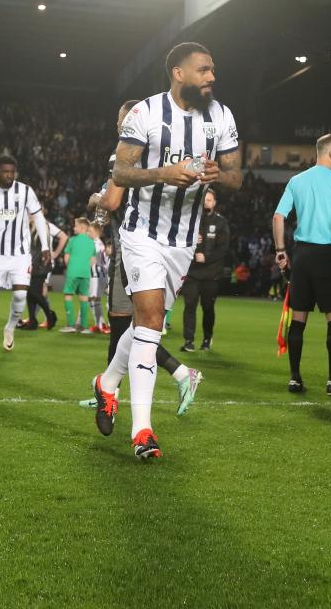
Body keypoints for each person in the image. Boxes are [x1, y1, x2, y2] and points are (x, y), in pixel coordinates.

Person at [92, 43, 242, 460]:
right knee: (152, 318)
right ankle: (142, 431)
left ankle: (106, 384)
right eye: (204, 70)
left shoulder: (222, 116)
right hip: (141, 232)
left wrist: (219, 174)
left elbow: (236, 178)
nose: (212, 77)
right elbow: (120, 171)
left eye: (213, 70)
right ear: (178, 73)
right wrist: (163, 173)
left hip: (183, 239)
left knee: (146, 325)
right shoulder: (146, 113)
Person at [88, 100, 203, 417]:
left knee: (128, 324)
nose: (119, 125)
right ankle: (111, 390)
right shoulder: (157, 152)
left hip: (131, 248)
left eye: (121, 120)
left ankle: (114, 394)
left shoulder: (125, 153)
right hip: (154, 245)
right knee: (135, 324)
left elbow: (111, 201)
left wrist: (94, 197)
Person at [272, 133, 331, 398]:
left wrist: (281, 251)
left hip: (301, 256)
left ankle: (295, 378)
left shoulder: (296, 180)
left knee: (298, 318)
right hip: (326, 256)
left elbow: (278, 216)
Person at [0, 154, 50, 352]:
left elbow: (39, 218)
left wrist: (45, 247)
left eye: (12, 172)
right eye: (5, 172)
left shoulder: (24, 191)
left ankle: (10, 327)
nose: (9, 175)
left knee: (20, 296)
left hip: (20, 255)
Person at [180, 190, 229, 352]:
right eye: (204, 200)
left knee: (208, 307)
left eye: (209, 200)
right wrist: (192, 244)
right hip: (193, 272)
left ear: (214, 203)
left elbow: (223, 249)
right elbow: (180, 241)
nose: (206, 202)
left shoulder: (221, 223)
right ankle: (189, 341)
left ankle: (207, 338)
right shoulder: (191, 220)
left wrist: (206, 258)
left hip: (211, 274)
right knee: (189, 305)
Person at [60, 218, 98, 333]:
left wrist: (71, 267)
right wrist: (85, 267)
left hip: (73, 271)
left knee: (68, 294)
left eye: (75, 226)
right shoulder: (91, 242)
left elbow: (66, 257)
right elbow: (93, 260)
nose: (73, 228)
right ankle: (84, 326)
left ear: (82, 227)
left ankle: (71, 325)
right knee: (84, 297)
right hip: (85, 273)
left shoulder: (72, 240)